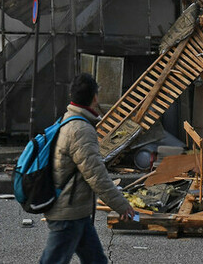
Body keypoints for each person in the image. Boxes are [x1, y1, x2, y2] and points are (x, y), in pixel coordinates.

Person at [39, 73, 136, 264]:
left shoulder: (67, 119)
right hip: (68, 213)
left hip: (78, 212)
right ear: (94, 97)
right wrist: (122, 206)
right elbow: (96, 175)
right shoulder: (80, 130)